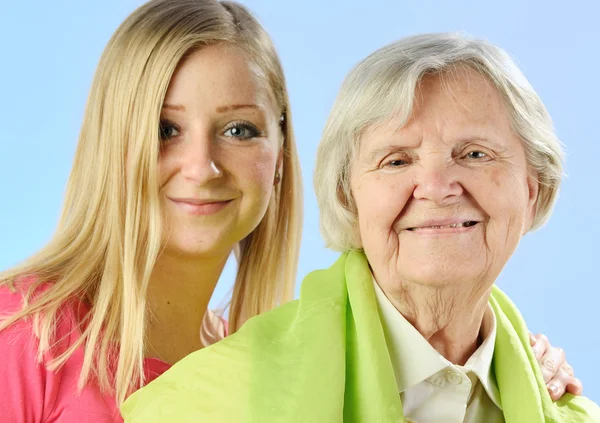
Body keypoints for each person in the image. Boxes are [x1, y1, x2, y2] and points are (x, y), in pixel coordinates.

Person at [121, 33, 599, 422]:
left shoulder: (569, 411)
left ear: (533, 187)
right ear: (347, 196)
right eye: (396, 160)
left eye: (474, 154)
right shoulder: (203, 404)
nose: (435, 187)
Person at [0, 0, 302, 421]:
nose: (202, 168)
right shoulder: (21, 334)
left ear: (280, 158)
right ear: (111, 147)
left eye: (238, 130)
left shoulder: (271, 377)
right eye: (165, 129)